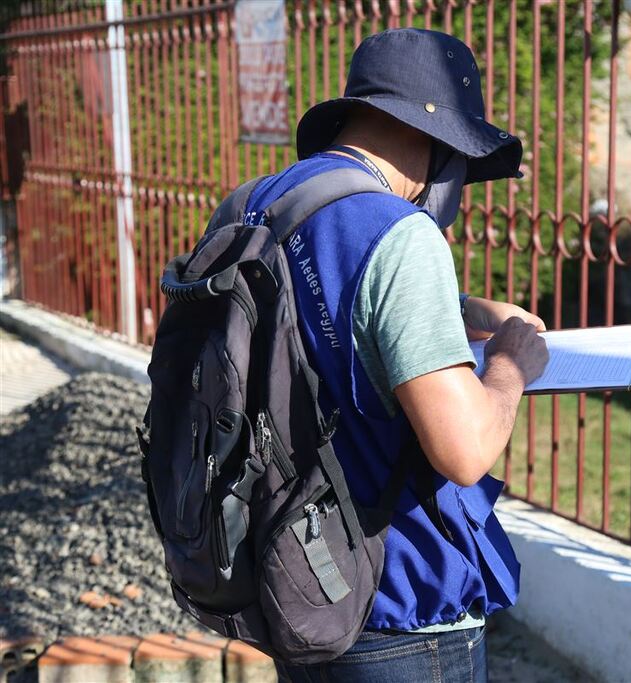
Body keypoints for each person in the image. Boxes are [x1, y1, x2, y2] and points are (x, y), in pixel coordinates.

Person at [247, 28, 549, 682]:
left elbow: (328, 302)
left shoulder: (257, 205)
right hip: (398, 617)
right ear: (437, 148)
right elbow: (463, 450)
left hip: (294, 580)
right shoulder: (399, 231)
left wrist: (460, 308)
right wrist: (512, 364)